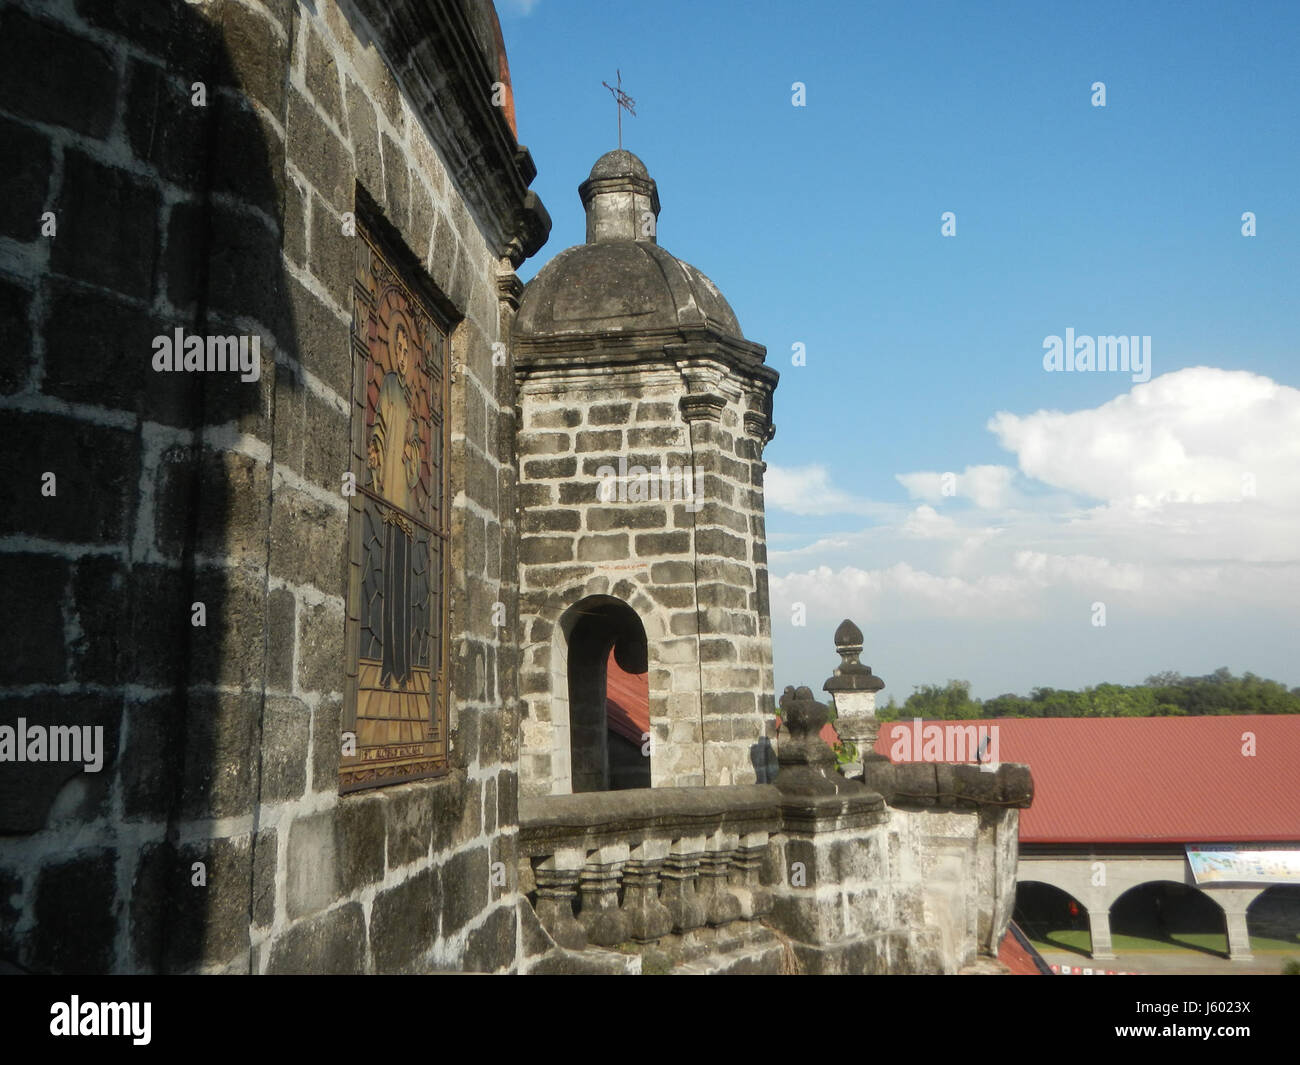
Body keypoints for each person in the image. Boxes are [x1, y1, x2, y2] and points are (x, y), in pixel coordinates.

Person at [368, 320, 422, 690]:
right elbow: (379, 429)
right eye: (398, 349)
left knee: (404, 586)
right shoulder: (388, 385)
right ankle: (390, 665)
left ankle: (403, 667)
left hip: (405, 499)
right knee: (387, 580)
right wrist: (376, 449)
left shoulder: (411, 399)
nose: (402, 357)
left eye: (407, 351)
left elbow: (415, 447)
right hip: (389, 494)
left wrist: (412, 451)